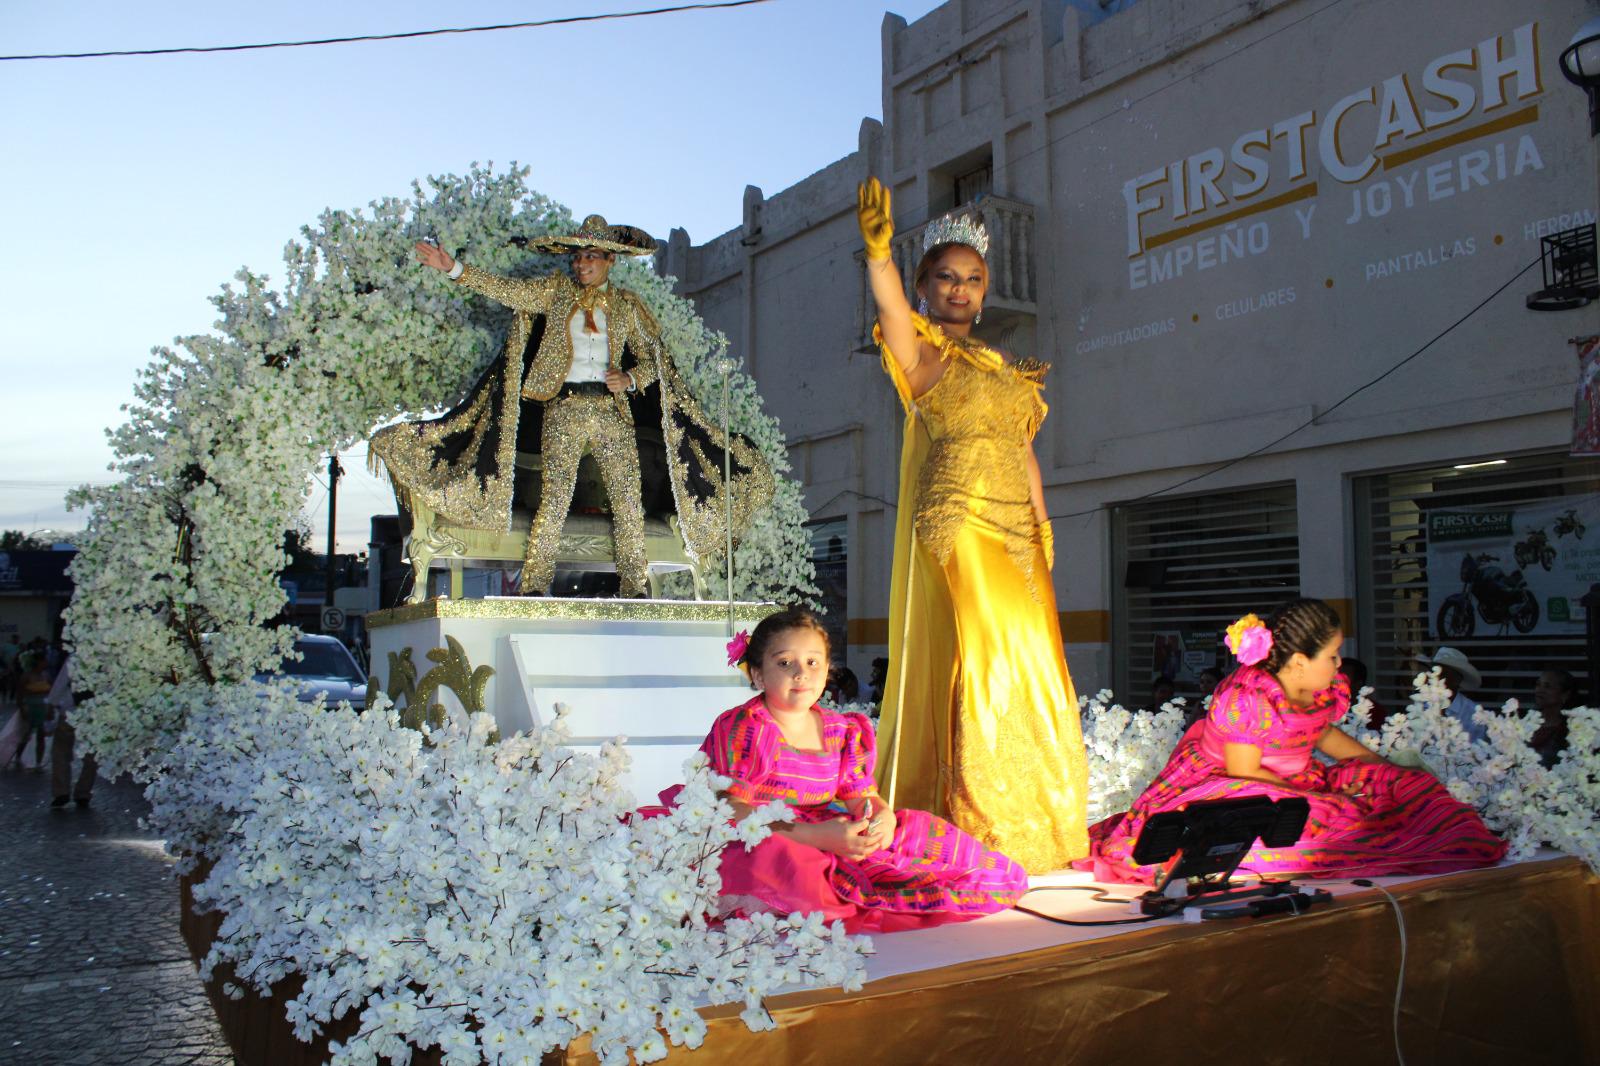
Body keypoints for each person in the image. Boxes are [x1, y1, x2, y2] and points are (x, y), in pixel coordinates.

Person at [855, 177, 1087, 873]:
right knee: (984, 659)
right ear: (925, 287)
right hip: (958, 517)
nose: (960, 289)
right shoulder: (922, 353)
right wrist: (878, 257)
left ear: (985, 293)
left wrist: (1043, 524)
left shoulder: (1003, 366)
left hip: (1019, 528)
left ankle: (1040, 825)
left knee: (1037, 660)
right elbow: (890, 310)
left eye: (973, 279)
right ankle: (978, 827)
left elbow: (1023, 449)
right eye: (946, 278)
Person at [373, 214, 771, 596]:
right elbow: (507, 290)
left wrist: (630, 379)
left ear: (609, 260)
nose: (581, 264)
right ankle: (534, 584)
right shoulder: (556, 293)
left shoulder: (627, 306)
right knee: (556, 498)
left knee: (627, 499)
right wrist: (453, 269)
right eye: (578, 257)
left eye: (590, 256)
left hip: (611, 412)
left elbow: (655, 362)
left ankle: (634, 586)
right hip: (564, 409)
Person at [1082, 600, 1508, 883]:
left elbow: (1322, 733)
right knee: (1299, 820)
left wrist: (1383, 766)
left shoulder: (1316, 687)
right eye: (1332, 655)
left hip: (1297, 778)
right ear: (1301, 661)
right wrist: (1316, 794)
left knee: (1402, 785)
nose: (1339, 664)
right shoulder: (1248, 695)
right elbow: (1244, 771)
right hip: (1232, 781)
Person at [678, 607, 1027, 933]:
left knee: (925, 832)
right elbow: (732, 810)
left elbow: (861, 796)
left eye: (813, 662)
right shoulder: (745, 727)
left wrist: (881, 819)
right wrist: (816, 836)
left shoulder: (842, 730)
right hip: (770, 834)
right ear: (757, 674)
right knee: (785, 863)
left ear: (827, 669)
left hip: (832, 828)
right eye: (785, 662)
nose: (801, 673)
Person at [48, 657, 96, 809]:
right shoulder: (108, 657)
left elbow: (62, 681)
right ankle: (83, 792)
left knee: (61, 752)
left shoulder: (75, 657)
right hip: (94, 713)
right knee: (91, 756)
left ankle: (62, 792)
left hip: (71, 710)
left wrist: (52, 703)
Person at [1417, 646, 1484, 742]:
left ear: (1457, 680)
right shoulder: (1423, 706)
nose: (1436, 677)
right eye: (1434, 672)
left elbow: (1477, 747)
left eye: (1443, 673)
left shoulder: (1473, 713)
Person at [9, 652, 52, 771]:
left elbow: (52, 692)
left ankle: (38, 762)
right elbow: (19, 694)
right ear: (38, 662)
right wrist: (22, 708)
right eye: (43, 661)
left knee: (41, 735)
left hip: (43, 706)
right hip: (30, 706)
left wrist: (51, 708)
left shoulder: (46, 675)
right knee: (25, 734)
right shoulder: (26, 676)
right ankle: (18, 757)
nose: (46, 663)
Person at [1530, 667, 1576, 767]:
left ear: (1565, 694)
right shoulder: (1526, 724)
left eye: (1547, 686)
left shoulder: (1571, 732)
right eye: (1538, 685)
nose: (1539, 690)